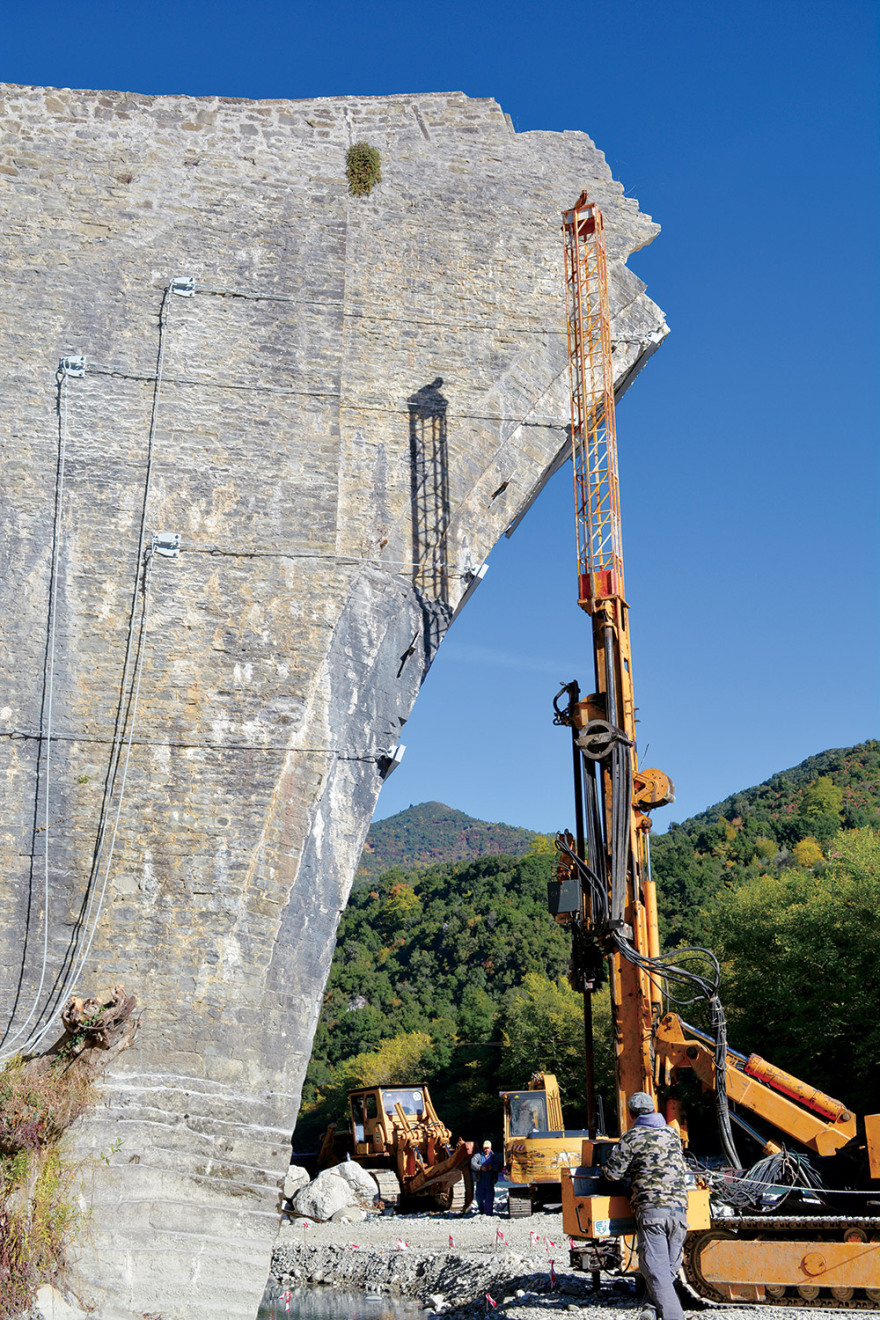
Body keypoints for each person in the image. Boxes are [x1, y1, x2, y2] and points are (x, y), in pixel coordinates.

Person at [602, 1092, 689, 1320]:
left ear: (631, 1114)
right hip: (679, 1211)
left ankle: (674, 1317)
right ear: (654, 1110)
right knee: (668, 1269)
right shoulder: (672, 1134)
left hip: (652, 1211)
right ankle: (650, 1309)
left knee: (656, 1270)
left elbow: (612, 1174)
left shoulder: (632, 1137)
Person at [471, 1139, 501, 1216]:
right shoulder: (478, 1155)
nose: (486, 1150)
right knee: (479, 1197)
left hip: (490, 1180)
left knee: (489, 1197)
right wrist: (480, 1167)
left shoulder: (494, 1156)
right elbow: (473, 1163)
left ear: (490, 1148)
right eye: (485, 1148)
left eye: (488, 1148)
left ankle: (488, 1213)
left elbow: (499, 1166)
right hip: (480, 1180)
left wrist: (492, 1167)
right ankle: (481, 1210)